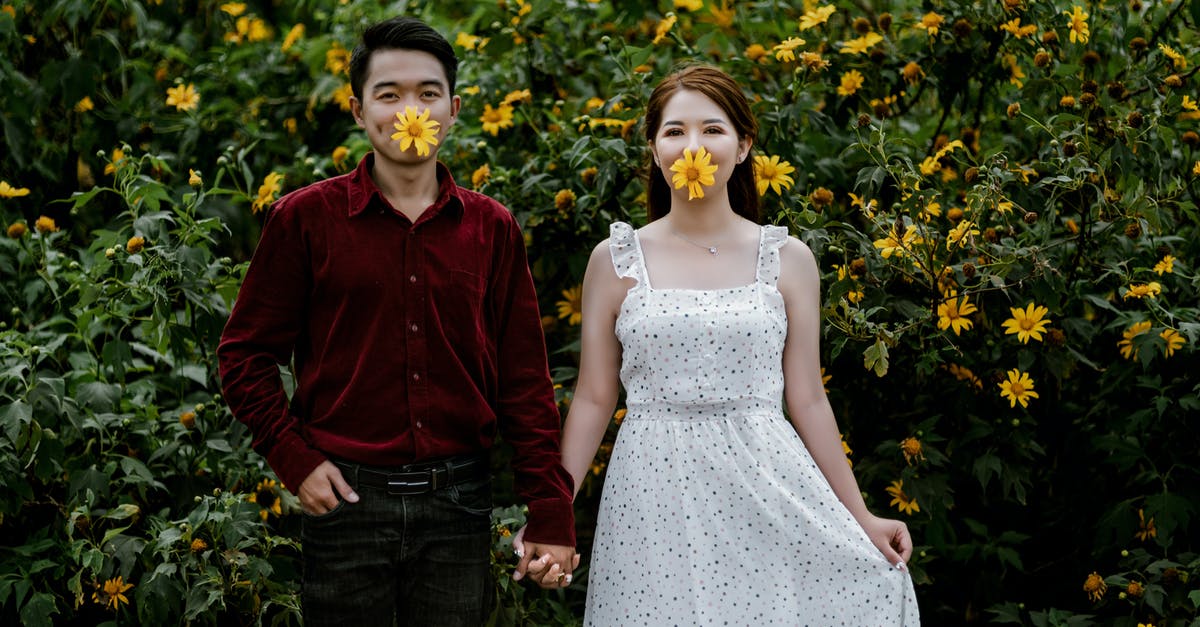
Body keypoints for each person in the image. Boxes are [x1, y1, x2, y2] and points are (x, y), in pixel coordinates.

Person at [527, 64, 921, 624]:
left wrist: (860, 515)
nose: (694, 146)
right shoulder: (614, 261)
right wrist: (551, 512)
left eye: (712, 129)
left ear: (742, 147)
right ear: (655, 150)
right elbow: (593, 396)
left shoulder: (787, 260)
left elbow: (807, 398)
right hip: (652, 487)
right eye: (674, 131)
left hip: (767, 483)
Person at [217, 16, 576, 626]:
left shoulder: (491, 229)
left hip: (458, 504)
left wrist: (550, 508)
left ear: (454, 108)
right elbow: (244, 356)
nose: (411, 109)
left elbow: (525, 383)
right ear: (359, 111)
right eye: (390, 95)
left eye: (427, 93)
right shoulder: (305, 220)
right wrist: (293, 458)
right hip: (346, 502)